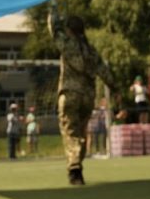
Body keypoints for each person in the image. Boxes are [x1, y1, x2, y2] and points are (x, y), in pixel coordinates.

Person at [49, 11, 116, 185]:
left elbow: (54, 29)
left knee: (70, 131)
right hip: (87, 96)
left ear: (69, 30)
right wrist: (115, 89)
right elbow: (104, 72)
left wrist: (53, 9)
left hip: (70, 94)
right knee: (82, 131)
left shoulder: (67, 44)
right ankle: (78, 164)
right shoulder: (91, 50)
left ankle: (74, 169)